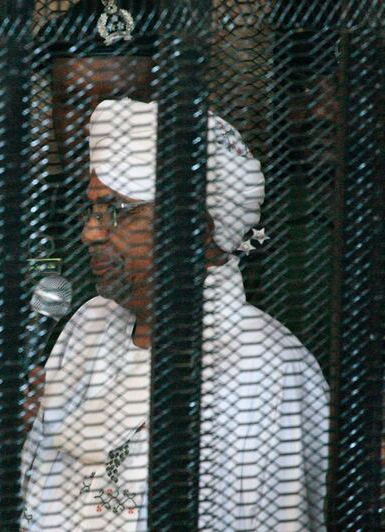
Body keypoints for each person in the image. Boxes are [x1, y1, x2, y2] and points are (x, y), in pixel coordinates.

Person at [19, 97, 329, 530]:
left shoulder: (265, 365)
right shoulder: (88, 325)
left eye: (116, 212)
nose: (91, 232)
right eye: (92, 210)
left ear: (193, 229)